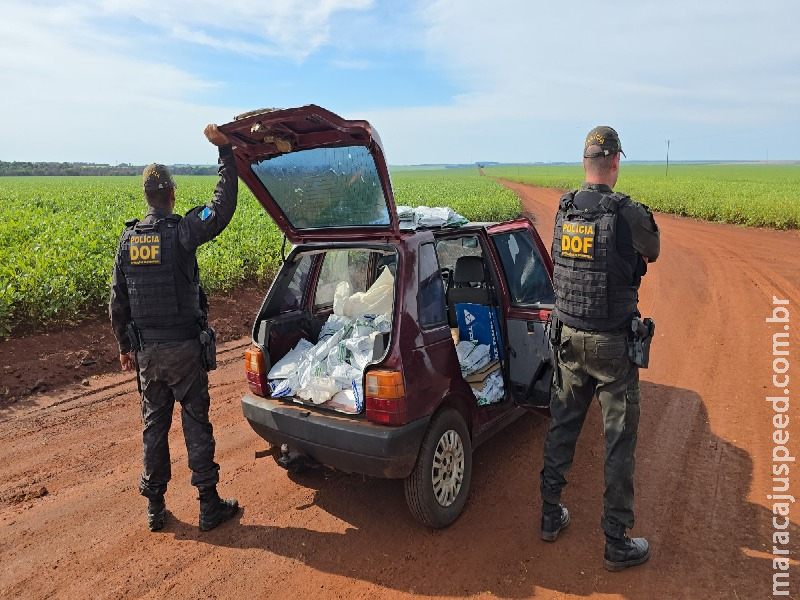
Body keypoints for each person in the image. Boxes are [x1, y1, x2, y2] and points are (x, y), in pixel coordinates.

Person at [540, 126, 660, 571]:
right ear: (615, 162)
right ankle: (616, 540)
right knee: (618, 439)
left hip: (568, 338)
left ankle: (550, 515)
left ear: (585, 162)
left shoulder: (565, 208)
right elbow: (655, 250)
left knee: (562, 426)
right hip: (612, 345)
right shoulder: (626, 213)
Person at [109, 124, 240, 532]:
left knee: (154, 426)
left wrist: (125, 345)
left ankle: (154, 509)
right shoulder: (182, 231)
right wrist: (226, 155)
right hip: (184, 350)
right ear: (171, 196)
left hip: (148, 353)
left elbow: (118, 298)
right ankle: (208, 504)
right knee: (196, 423)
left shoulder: (129, 239)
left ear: (147, 197)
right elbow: (220, 209)